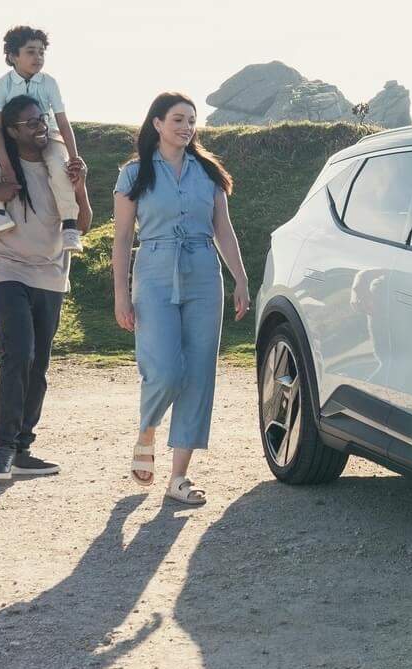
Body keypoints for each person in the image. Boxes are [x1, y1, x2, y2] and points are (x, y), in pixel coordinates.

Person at [111, 92, 250, 506]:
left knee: (200, 373)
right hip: (153, 272)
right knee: (167, 371)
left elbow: (223, 230)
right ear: (157, 123)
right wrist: (121, 294)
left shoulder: (208, 173)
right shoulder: (134, 174)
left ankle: (179, 477)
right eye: (177, 119)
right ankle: (148, 429)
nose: (186, 127)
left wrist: (241, 279)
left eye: (192, 121)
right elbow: (121, 239)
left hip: (205, 274)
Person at [0, 95, 93, 480]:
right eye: (31, 123)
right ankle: (3, 447)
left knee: (40, 363)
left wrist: (80, 187)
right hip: (6, 268)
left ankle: (22, 448)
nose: (40, 128)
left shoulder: (58, 164)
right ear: (10, 131)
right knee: (20, 350)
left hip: (50, 273)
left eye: (42, 120)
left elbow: (82, 223)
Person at [0, 24, 85, 254]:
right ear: (13, 56)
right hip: (11, 135)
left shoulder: (49, 82)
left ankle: (70, 226)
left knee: (58, 165)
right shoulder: (3, 84)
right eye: (31, 51)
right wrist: (5, 165)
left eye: (42, 52)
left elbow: (62, 122)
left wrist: (74, 157)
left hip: (46, 134)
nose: (38, 57)